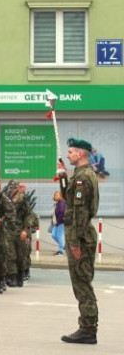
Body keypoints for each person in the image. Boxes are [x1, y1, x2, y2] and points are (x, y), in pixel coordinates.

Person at [61, 138, 100, 344]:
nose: (68, 155)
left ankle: (88, 328)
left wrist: (75, 241)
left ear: (81, 154)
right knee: (81, 281)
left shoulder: (82, 179)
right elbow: (72, 204)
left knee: (82, 282)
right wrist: (61, 178)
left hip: (80, 237)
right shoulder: (81, 175)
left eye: (71, 152)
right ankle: (87, 326)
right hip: (81, 235)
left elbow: (80, 211)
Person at [51, 190, 66, 255]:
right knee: (53, 235)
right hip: (56, 222)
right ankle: (64, 246)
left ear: (61, 196)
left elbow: (61, 213)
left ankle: (61, 250)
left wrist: (59, 221)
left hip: (61, 222)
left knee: (60, 236)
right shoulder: (57, 203)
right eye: (55, 195)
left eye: (57, 195)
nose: (55, 196)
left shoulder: (62, 203)